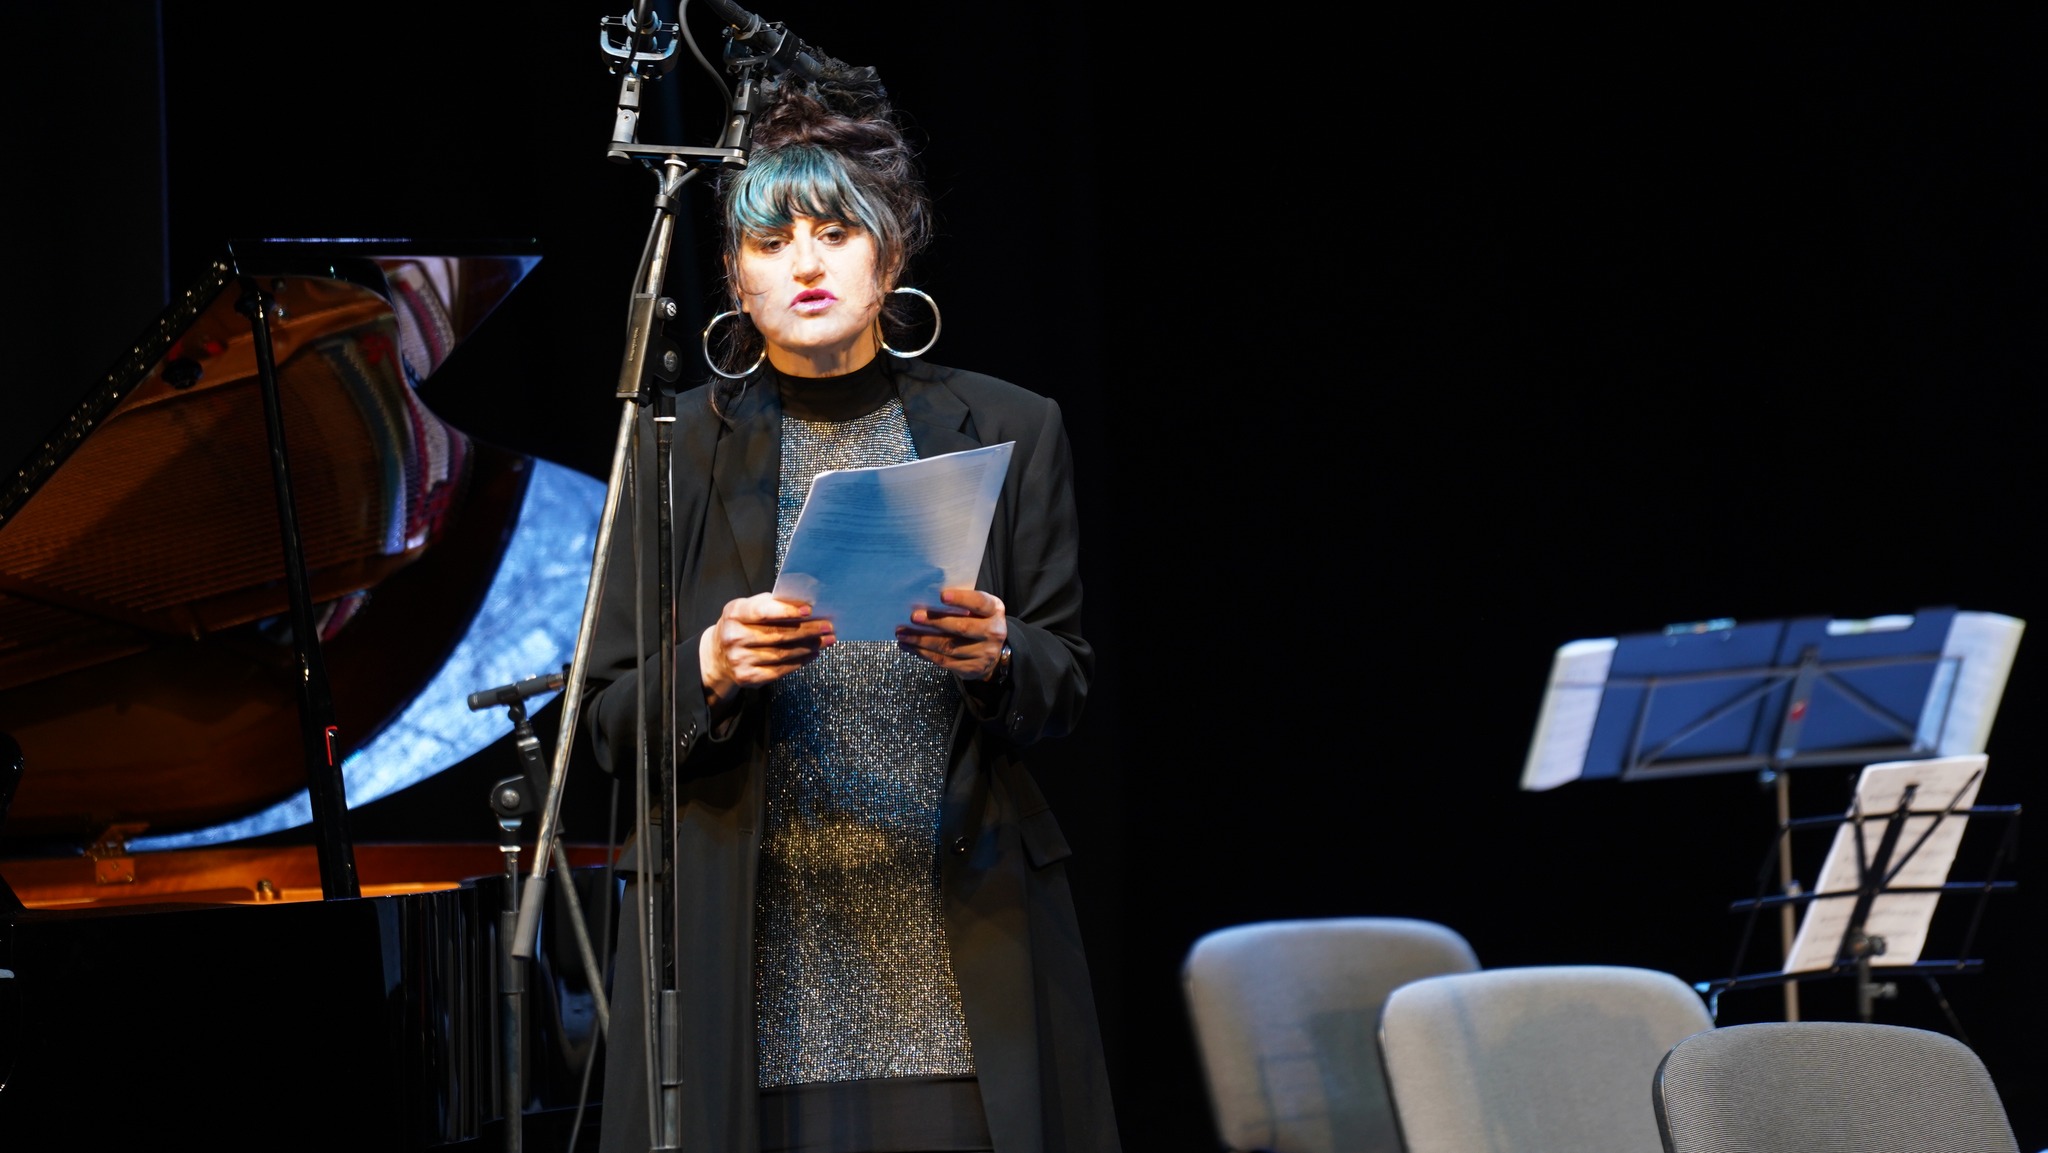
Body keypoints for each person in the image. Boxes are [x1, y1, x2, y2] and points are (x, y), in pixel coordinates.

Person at [582, 64, 1120, 1153]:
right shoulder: (673, 448)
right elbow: (602, 721)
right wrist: (708, 667)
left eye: (835, 233)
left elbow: (1065, 677)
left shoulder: (1009, 426)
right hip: (753, 956)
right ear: (734, 275)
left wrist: (1000, 653)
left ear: (892, 254)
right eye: (771, 241)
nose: (806, 263)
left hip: (956, 940)